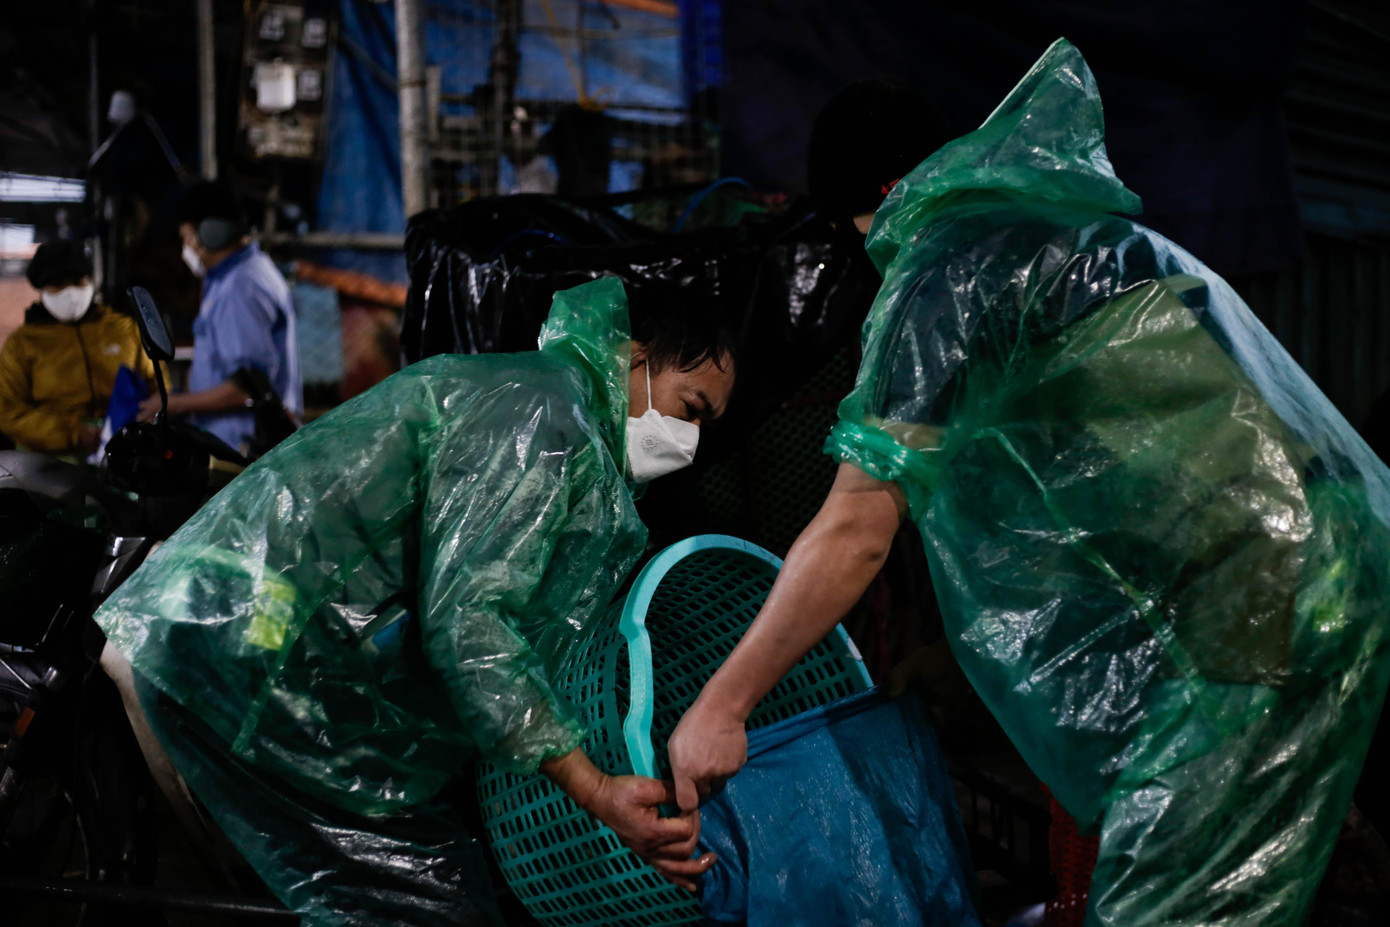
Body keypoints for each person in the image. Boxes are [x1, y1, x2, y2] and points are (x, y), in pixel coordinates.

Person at [670, 39, 1390, 927]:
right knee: (1304, 877)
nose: (874, 260)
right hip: (1343, 564)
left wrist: (722, 706)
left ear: (888, 198)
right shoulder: (1078, 232)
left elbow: (858, 522)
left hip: (1250, 612)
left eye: (860, 234)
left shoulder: (942, 264)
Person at [97, 275, 733, 925]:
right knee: (431, 907)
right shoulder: (541, 416)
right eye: (690, 408)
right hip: (255, 664)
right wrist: (593, 787)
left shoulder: (555, 415)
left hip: (277, 666)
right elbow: (472, 622)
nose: (689, 442)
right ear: (633, 358)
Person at [138, 181, 302, 454]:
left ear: (210, 232)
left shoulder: (240, 287)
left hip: (244, 450)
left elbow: (247, 387)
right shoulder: (231, 277)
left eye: (186, 236)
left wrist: (175, 404)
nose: (186, 247)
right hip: (235, 444)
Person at [0, 239, 156, 456]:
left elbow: (156, 385)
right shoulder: (22, 344)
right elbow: (7, 412)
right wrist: (73, 433)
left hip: (123, 452)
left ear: (91, 281)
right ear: (41, 289)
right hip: (49, 462)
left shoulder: (124, 330)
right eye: (58, 284)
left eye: (77, 281)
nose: (69, 292)